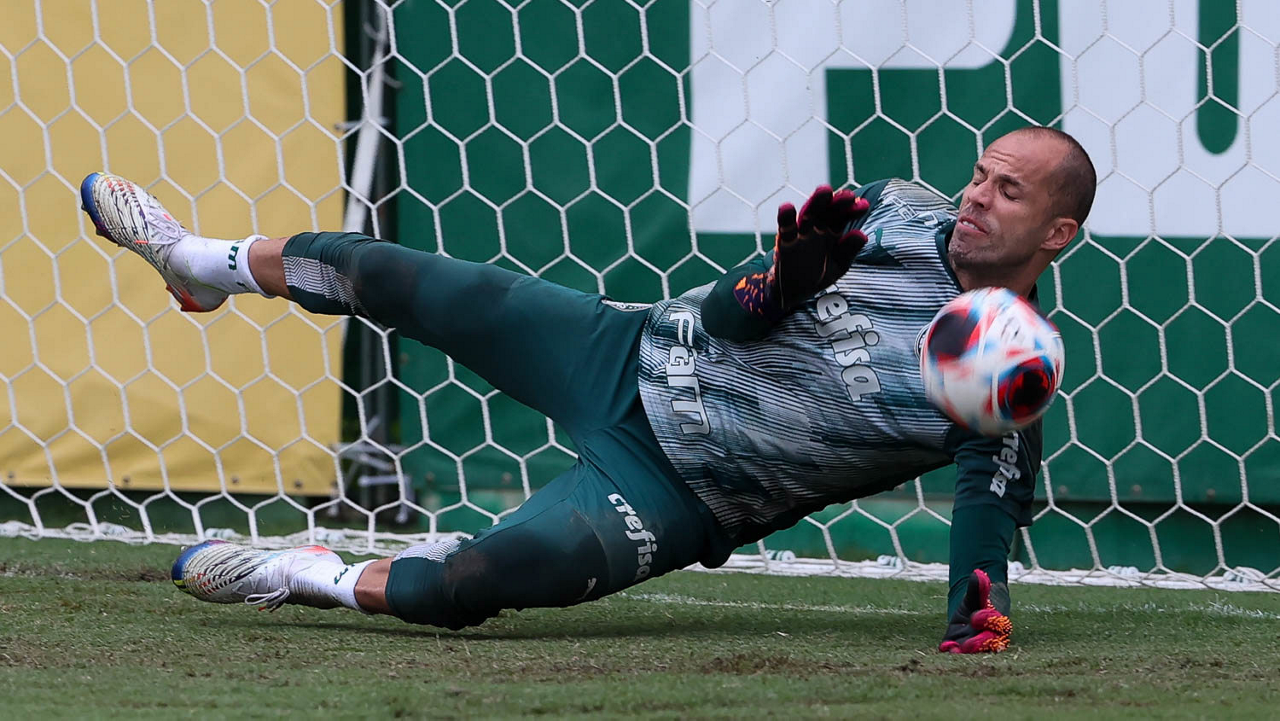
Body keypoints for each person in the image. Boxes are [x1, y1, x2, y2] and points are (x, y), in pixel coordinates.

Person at [80, 126, 1095, 654]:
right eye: (978, 173)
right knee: (393, 274)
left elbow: (986, 512)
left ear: (1056, 233)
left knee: (473, 583)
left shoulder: (1009, 378)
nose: (975, 195)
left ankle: (304, 574)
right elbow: (731, 314)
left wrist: (977, 621)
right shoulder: (892, 213)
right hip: (628, 351)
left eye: (1007, 190)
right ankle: (195, 261)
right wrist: (782, 283)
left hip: (681, 493)